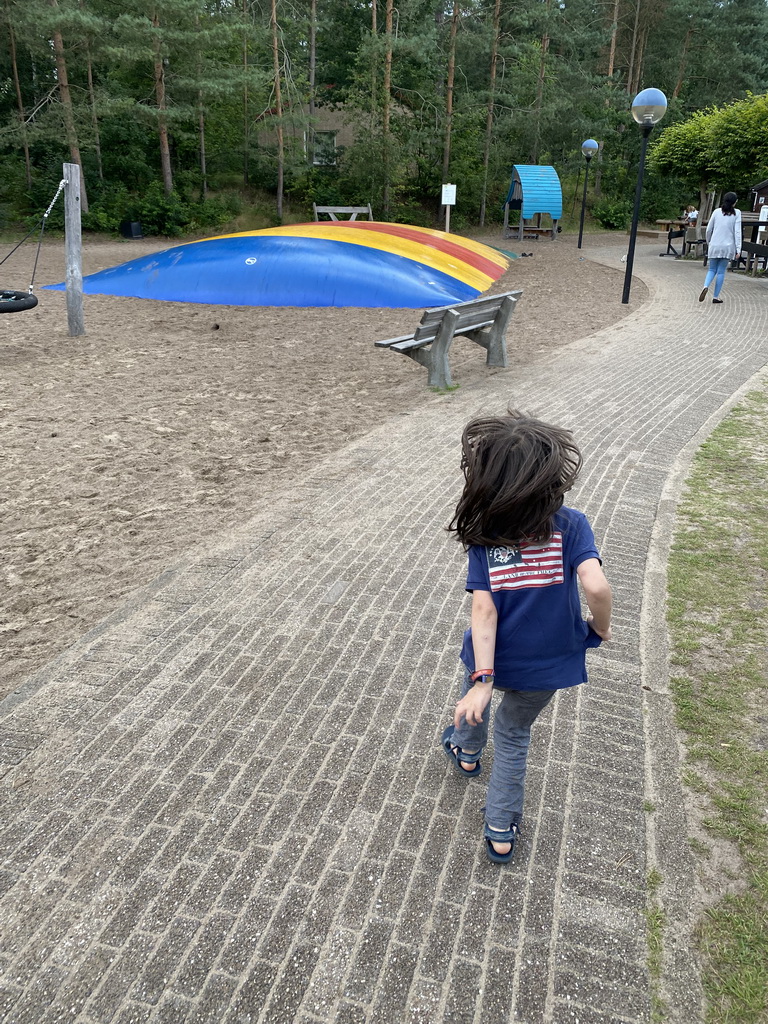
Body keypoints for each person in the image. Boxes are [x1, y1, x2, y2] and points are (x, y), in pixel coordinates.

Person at [440, 411, 612, 864]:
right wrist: (601, 626)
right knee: (514, 733)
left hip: (489, 656)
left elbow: (484, 609)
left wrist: (483, 680)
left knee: (472, 705)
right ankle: (500, 827)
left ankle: (467, 754)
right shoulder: (571, 525)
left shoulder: (485, 537)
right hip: (547, 665)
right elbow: (595, 586)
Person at [699, 192, 742, 304]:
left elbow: (709, 229)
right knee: (721, 272)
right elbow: (737, 232)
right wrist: (738, 249)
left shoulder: (716, 212)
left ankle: (705, 285)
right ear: (735, 202)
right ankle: (716, 296)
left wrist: (709, 242)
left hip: (715, 245)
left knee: (711, 269)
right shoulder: (737, 213)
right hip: (728, 247)